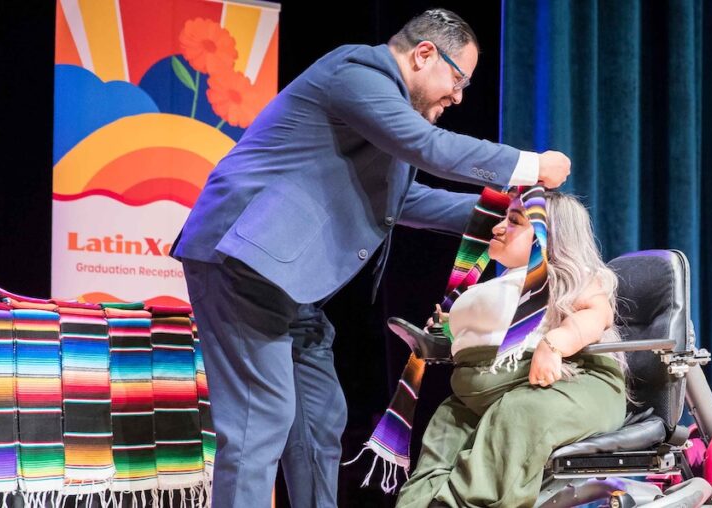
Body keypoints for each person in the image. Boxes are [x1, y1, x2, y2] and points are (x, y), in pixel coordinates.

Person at [170, 8, 572, 508]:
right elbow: (427, 146)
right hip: (240, 260)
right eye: (458, 78)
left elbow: (406, 202)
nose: (458, 96)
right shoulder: (358, 73)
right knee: (260, 419)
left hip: (289, 284)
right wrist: (529, 166)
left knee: (320, 417)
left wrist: (500, 215)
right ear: (425, 54)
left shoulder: (387, 112)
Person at [394, 190, 627, 508]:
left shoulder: (570, 278)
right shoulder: (498, 289)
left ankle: (463, 503)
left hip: (577, 382)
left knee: (519, 413)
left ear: (549, 238)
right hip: (490, 391)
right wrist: (448, 330)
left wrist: (554, 343)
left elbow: (597, 315)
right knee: (446, 424)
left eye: (514, 221)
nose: (497, 227)